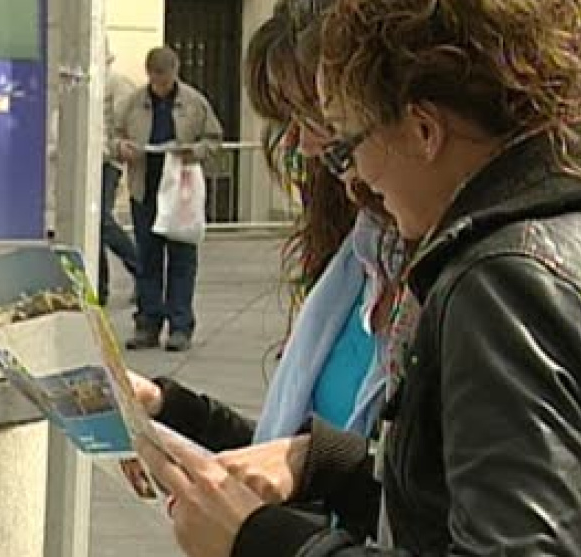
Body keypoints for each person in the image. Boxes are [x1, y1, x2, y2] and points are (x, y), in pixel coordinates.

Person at [138, 1, 581, 556]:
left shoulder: (506, 280)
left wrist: (259, 540)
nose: (356, 180)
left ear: (422, 131)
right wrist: (324, 465)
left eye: (349, 144)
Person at [118, 4, 405, 538]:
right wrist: (171, 412)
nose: (304, 145)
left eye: (320, 116)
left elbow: (435, 509)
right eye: (289, 121)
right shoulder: (358, 262)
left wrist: (262, 526)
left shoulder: (468, 282)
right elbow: (285, 455)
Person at [112, 46, 223, 352]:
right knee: (147, 259)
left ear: (175, 72)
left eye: (165, 78)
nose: (160, 84)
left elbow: (214, 139)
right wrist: (121, 148)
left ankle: (180, 325)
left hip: (180, 192)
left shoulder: (194, 102)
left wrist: (194, 151)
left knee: (181, 259)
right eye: (155, 78)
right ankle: (147, 324)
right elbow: (114, 136)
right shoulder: (134, 102)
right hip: (145, 189)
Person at [98, 40, 141, 306]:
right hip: (89, 159)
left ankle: (140, 268)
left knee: (101, 221)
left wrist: (115, 147)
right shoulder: (87, 82)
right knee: (93, 226)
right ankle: (98, 286)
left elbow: (126, 122)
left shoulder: (116, 83)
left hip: (107, 160)